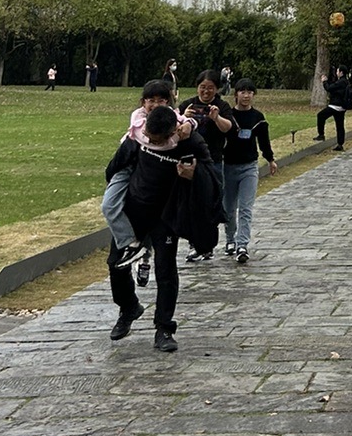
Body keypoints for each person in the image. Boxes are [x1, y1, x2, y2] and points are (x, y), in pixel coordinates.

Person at [102, 103, 212, 351]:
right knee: (116, 265)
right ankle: (129, 306)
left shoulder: (189, 141)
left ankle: (164, 328)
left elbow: (211, 174)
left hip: (165, 217)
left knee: (166, 271)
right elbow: (116, 165)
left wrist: (193, 175)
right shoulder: (138, 135)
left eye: (157, 140)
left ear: (173, 131)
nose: (151, 141)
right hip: (133, 214)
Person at [102, 78, 193, 267]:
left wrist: (190, 124)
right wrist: (174, 136)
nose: (155, 104)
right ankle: (131, 244)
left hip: (153, 183)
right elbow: (149, 139)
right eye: (150, 100)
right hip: (127, 167)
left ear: (168, 101)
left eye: (161, 100)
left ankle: (142, 255)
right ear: (143, 102)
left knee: (151, 218)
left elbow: (188, 121)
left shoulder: (172, 117)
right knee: (109, 206)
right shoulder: (139, 117)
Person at [179, 71, 233, 261]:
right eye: (203, 87)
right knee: (189, 203)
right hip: (189, 161)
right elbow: (174, 128)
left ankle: (208, 245)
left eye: (210, 88)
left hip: (213, 161)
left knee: (211, 203)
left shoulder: (222, 106)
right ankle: (194, 244)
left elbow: (228, 128)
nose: (206, 91)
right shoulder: (188, 104)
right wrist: (183, 117)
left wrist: (216, 118)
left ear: (217, 89)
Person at [221, 80, 278, 263]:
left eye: (249, 92)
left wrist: (270, 160)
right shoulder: (228, 115)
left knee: (245, 208)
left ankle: (242, 244)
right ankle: (230, 239)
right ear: (236, 94)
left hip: (249, 167)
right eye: (242, 92)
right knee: (229, 208)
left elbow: (264, 142)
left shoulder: (258, 117)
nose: (246, 95)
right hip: (228, 166)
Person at [316, 66, 352, 148]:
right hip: (342, 107)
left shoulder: (341, 82)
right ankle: (340, 144)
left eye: (337, 71)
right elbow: (334, 86)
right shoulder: (346, 82)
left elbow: (329, 88)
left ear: (341, 73)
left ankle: (321, 134)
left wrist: (324, 82)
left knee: (320, 116)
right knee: (340, 126)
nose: (336, 73)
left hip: (335, 106)